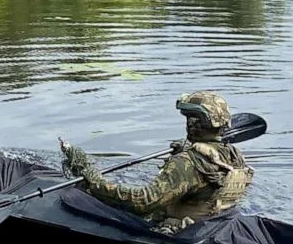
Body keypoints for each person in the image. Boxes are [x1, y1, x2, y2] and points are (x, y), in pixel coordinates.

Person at [59, 91, 252, 234]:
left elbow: (143, 202)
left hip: (183, 231)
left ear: (194, 122)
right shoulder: (234, 155)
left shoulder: (186, 163)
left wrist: (95, 182)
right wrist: (187, 150)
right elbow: (207, 181)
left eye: (190, 118)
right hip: (215, 223)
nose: (187, 122)